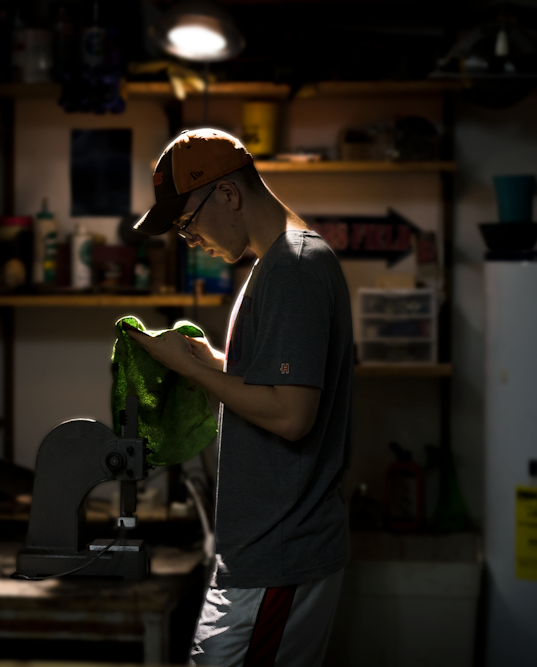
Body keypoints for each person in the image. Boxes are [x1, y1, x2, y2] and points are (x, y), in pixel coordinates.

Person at [128, 128, 355, 667]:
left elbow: (292, 415)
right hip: (260, 554)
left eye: (187, 223)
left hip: (280, 553)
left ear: (227, 195)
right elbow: (282, 386)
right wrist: (213, 363)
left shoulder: (294, 267)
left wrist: (189, 369)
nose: (189, 239)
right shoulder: (273, 266)